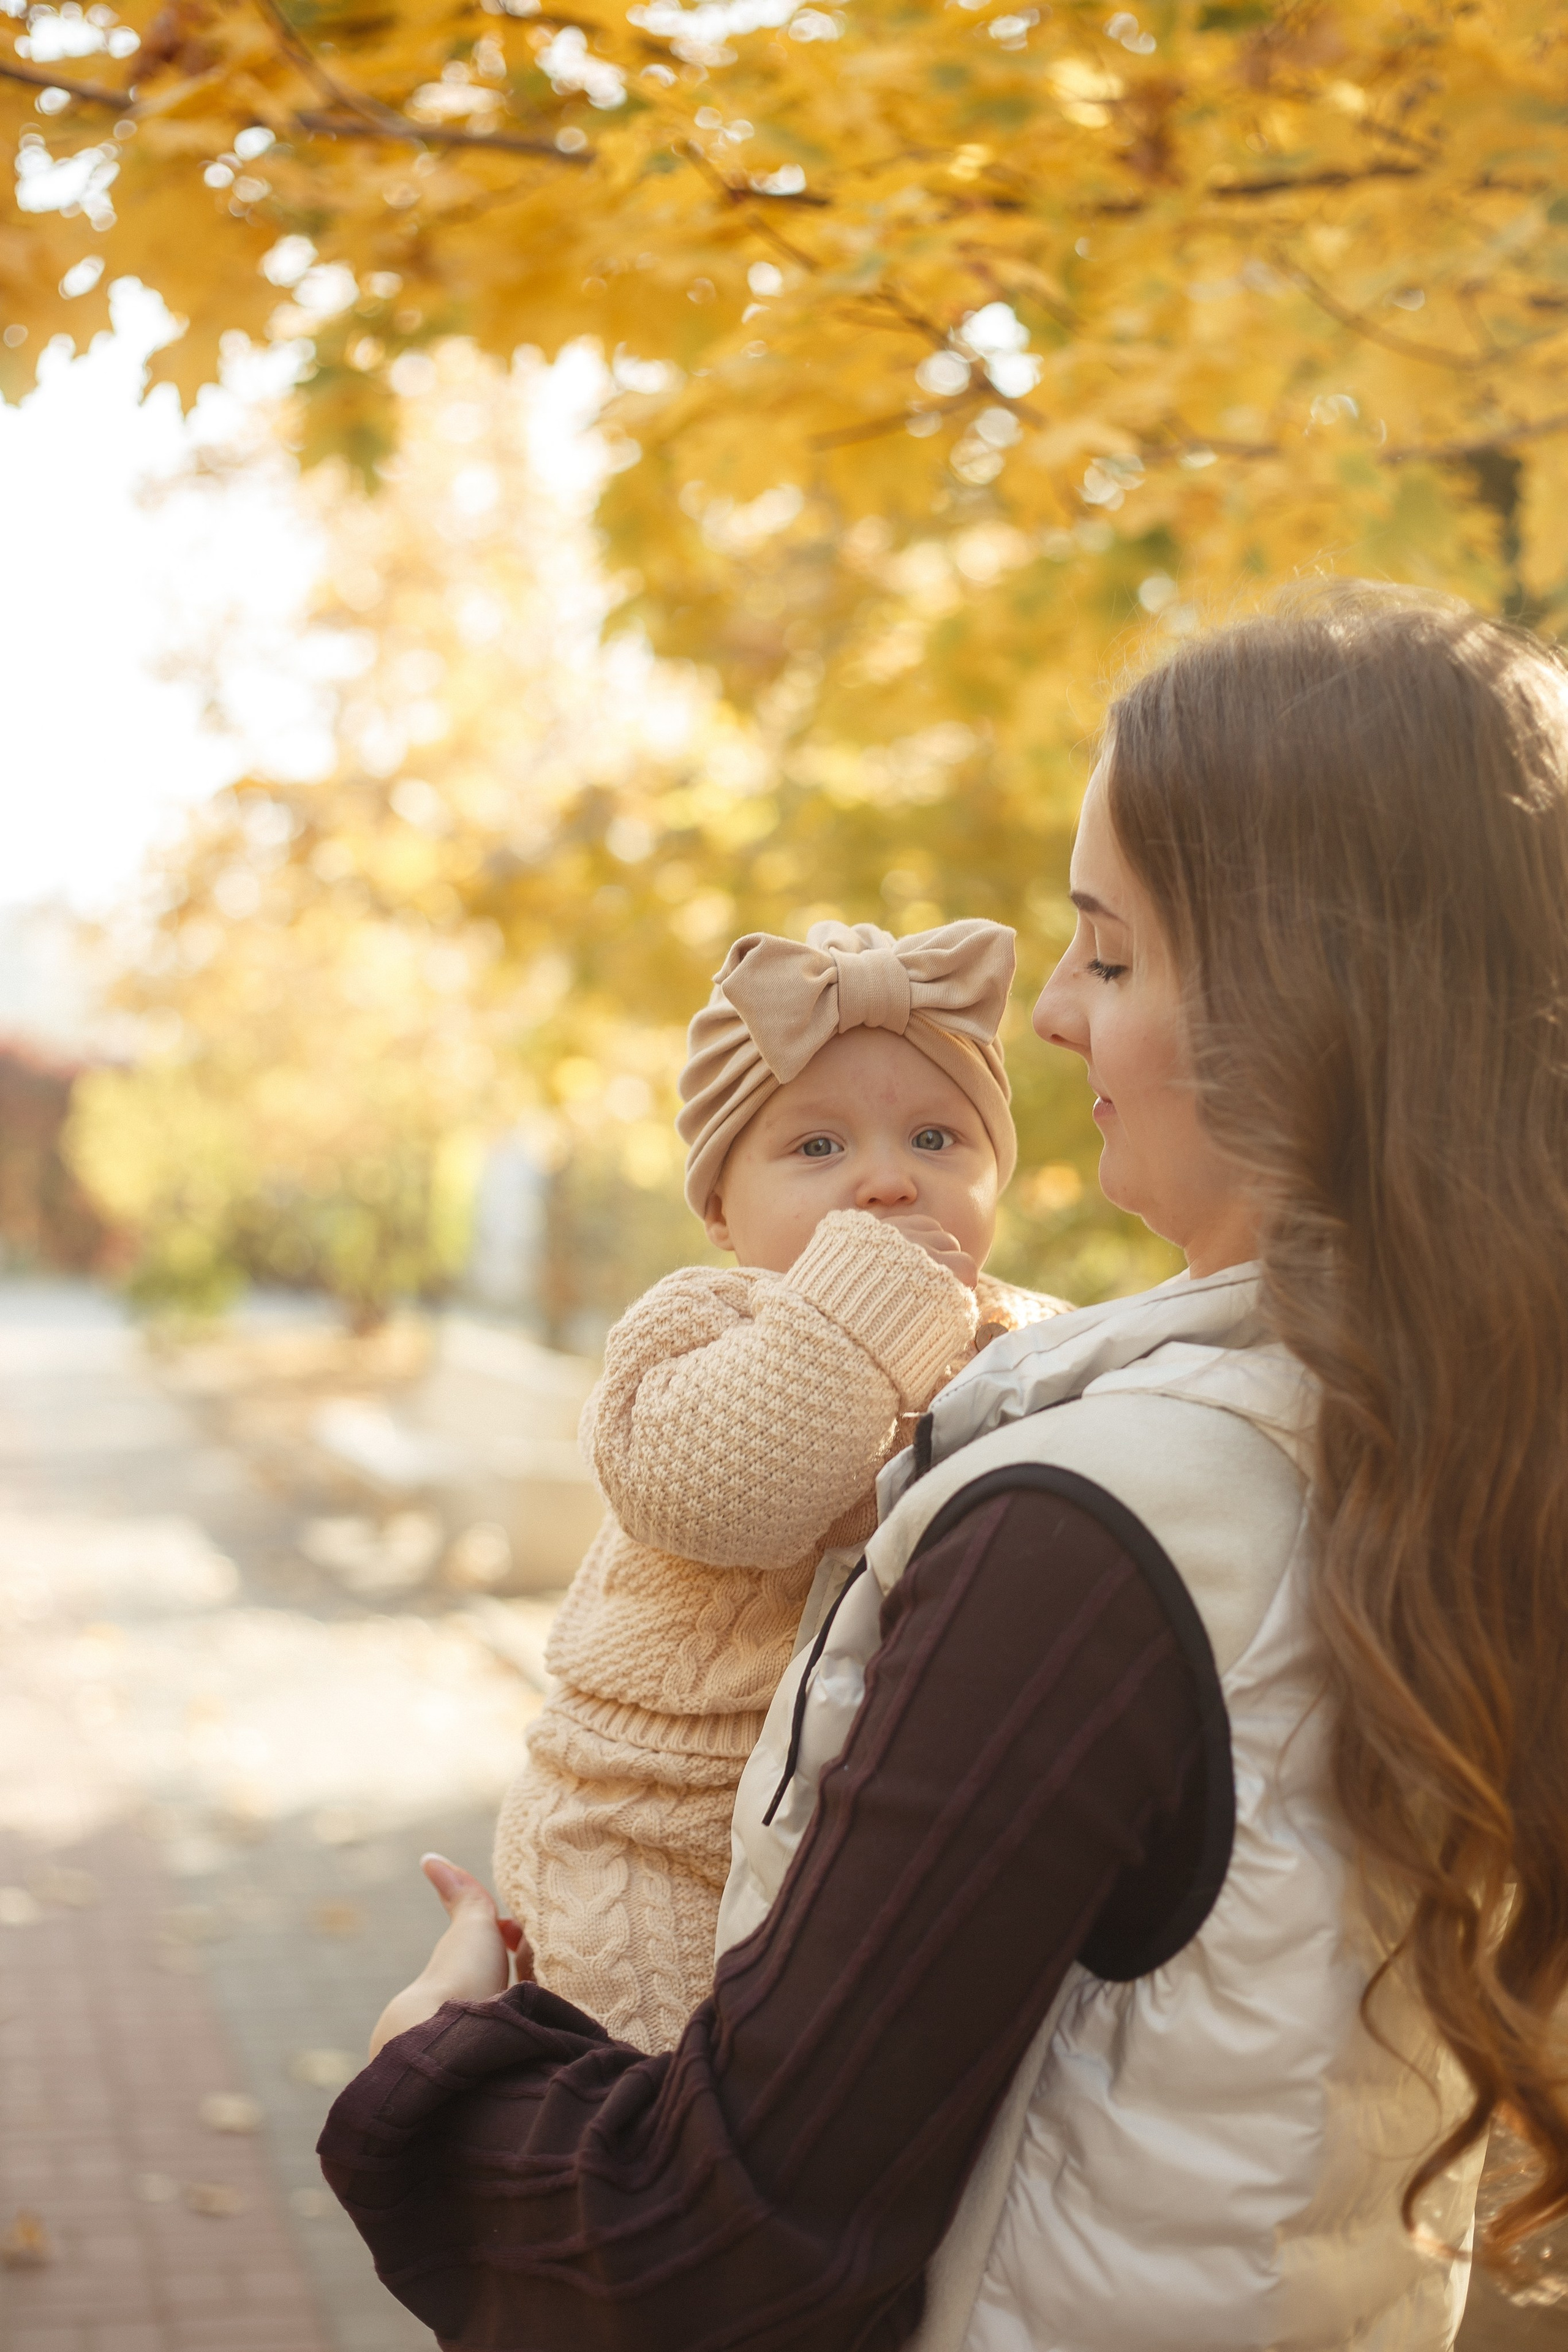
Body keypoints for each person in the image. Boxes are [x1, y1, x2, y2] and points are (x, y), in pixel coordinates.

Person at [322, 584, 1568, 2350]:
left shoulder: (1098, 1530)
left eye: (1110, 956)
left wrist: (432, 2069)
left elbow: (710, 2250)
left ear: (1312, 1005)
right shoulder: (1443, 1430)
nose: (1050, 1015)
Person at [489, 918, 1061, 2051]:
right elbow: (725, 1493)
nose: (887, 1182)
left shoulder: (1026, 1344)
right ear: (719, 1211)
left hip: (850, 1846)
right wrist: (872, 1299)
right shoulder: (697, 1325)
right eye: (818, 1148)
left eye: (937, 1138)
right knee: (657, 2096)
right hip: (650, 1828)